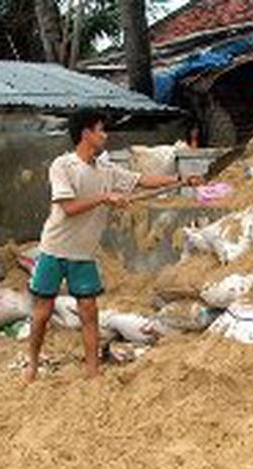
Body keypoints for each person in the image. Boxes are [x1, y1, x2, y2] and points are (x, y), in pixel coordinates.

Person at [26, 110, 201, 382]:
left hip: (83, 255)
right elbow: (69, 208)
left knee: (89, 312)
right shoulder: (63, 166)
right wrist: (105, 198)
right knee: (42, 313)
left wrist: (181, 180)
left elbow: (141, 180)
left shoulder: (106, 169)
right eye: (100, 130)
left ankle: (92, 373)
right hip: (54, 250)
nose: (105, 135)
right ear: (86, 134)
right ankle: (32, 365)